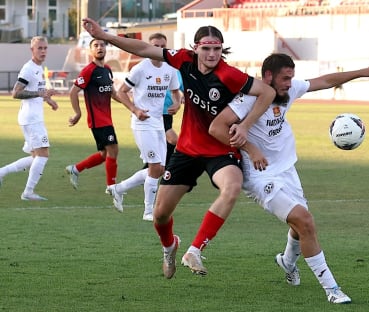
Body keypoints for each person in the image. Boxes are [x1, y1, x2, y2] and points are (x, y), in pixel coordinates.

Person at [82, 18, 276, 279]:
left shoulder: (229, 75)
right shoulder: (183, 59)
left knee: (231, 187)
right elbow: (142, 49)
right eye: (206, 49)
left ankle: (195, 249)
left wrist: (245, 126)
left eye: (217, 49)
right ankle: (170, 246)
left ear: (222, 50)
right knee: (160, 216)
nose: (211, 54)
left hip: (220, 149)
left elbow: (267, 92)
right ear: (195, 48)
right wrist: (105, 35)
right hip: (187, 149)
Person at [209, 53, 369, 303]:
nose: (290, 83)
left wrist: (364, 71)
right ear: (268, 76)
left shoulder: (288, 91)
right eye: (285, 78)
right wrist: (251, 148)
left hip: (287, 170)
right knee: (305, 221)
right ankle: (332, 289)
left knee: (299, 226)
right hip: (260, 176)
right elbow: (216, 127)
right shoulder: (248, 98)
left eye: (292, 78)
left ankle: (287, 262)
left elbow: (324, 81)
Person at [109, 33, 182, 220]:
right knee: (155, 165)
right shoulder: (140, 69)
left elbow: (176, 92)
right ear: (148, 47)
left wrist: (176, 104)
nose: (158, 49)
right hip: (142, 124)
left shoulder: (170, 69)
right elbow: (121, 92)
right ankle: (148, 210)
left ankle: (118, 189)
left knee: (159, 169)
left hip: (158, 122)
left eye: (162, 46)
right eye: (155, 45)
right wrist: (135, 110)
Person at [0, 36, 58, 200]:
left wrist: (48, 100)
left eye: (45, 48)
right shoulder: (28, 68)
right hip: (32, 119)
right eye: (39, 48)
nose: (43, 51)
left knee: (35, 156)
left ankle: (1, 173)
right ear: (32, 50)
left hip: (31, 117)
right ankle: (28, 192)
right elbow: (16, 92)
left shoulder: (39, 68)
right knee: (43, 155)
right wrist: (39, 94)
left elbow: (38, 91)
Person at [65, 38, 123, 193]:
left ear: (106, 49)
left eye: (102, 45)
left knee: (105, 154)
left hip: (106, 119)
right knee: (113, 150)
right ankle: (111, 187)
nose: (99, 48)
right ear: (90, 51)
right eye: (95, 46)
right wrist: (78, 113)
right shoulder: (88, 70)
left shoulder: (107, 69)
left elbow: (113, 93)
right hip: (98, 120)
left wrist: (132, 107)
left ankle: (76, 169)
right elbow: (73, 92)